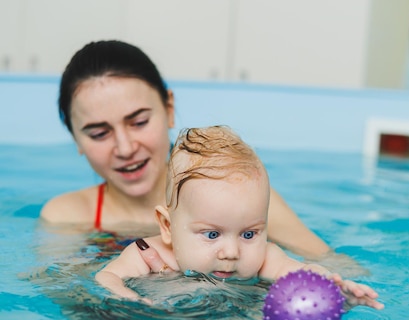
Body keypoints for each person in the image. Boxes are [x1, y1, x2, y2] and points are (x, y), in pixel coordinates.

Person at [40, 40, 336, 261]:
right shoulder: (66, 217)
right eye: (100, 133)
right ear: (76, 139)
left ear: (169, 109)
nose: (126, 148)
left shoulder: (238, 197)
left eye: (139, 122)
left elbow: (334, 266)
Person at [96, 126, 383, 310]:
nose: (232, 252)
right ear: (168, 226)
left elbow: (300, 272)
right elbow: (106, 277)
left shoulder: (266, 258)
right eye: (211, 234)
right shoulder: (149, 254)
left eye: (249, 234)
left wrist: (334, 289)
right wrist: (133, 302)